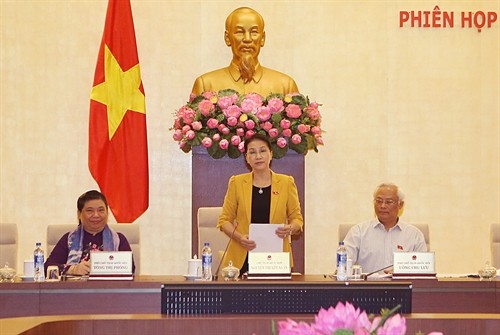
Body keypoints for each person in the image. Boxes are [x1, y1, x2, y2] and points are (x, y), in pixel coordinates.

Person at [216, 134, 304, 274]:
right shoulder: (237, 182)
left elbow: (297, 220)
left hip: (276, 258)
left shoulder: (286, 183)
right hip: (243, 257)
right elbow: (224, 221)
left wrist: (290, 228)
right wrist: (240, 238)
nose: (258, 156)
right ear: (247, 158)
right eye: (252, 152)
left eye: (263, 151)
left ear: (271, 154)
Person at [191, 7, 299, 97]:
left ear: (262, 38)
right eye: (239, 32)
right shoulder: (206, 84)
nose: (247, 39)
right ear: (227, 38)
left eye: (254, 32)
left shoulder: (285, 85)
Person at [44, 190, 135, 276]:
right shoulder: (69, 239)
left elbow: (130, 269)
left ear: (107, 213)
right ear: (79, 214)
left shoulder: (118, 239)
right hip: (76, 290)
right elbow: (47, 268)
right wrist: (73, 269)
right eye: (90, 211)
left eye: (101, 210)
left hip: (109, 291)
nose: (96, 215)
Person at [343, 183, 427, 274]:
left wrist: (404, 272)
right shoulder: (358, 232)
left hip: (402, 287)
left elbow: (424, 270)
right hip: (368, 287)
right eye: (379, 201)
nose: (382, 206)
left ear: (400, 205)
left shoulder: (414, 235)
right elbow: (343, 265)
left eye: (389, 202)